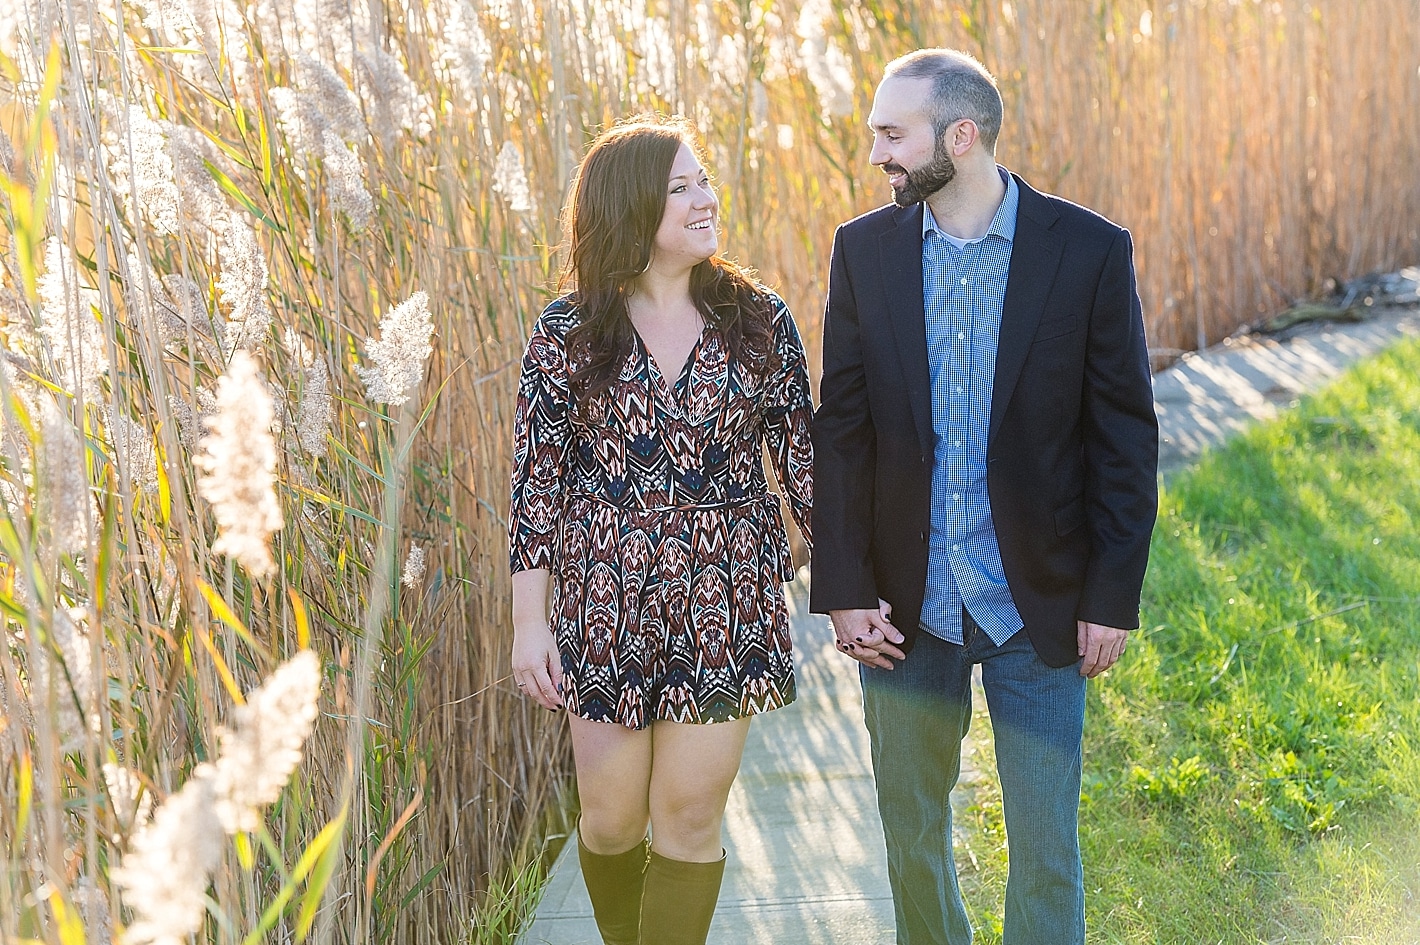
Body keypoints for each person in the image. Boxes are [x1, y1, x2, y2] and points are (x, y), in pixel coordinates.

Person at [811, 49, 1158, 944]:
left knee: (1047, 850)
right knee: (912, 838)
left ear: (960, 137)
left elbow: (1124, 438)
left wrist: (1110, 595)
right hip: (904, 609)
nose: (878, 152)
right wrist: (844, 587)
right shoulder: (863, 253)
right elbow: (841, 432)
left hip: (1036, 603)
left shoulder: (1087, 250)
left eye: (895, 133)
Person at [507, 115, 814, 945]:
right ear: (629, 208)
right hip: (604, 604)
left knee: (686, 818)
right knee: (609, 821)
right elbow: (536, 484)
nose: (704, 197)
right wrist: (529, 623)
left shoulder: (759, 324)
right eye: (679, 188)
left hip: (728, 602)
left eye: (703, 179)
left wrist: (859, 590)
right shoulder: (567, 335)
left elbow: (808, 472)